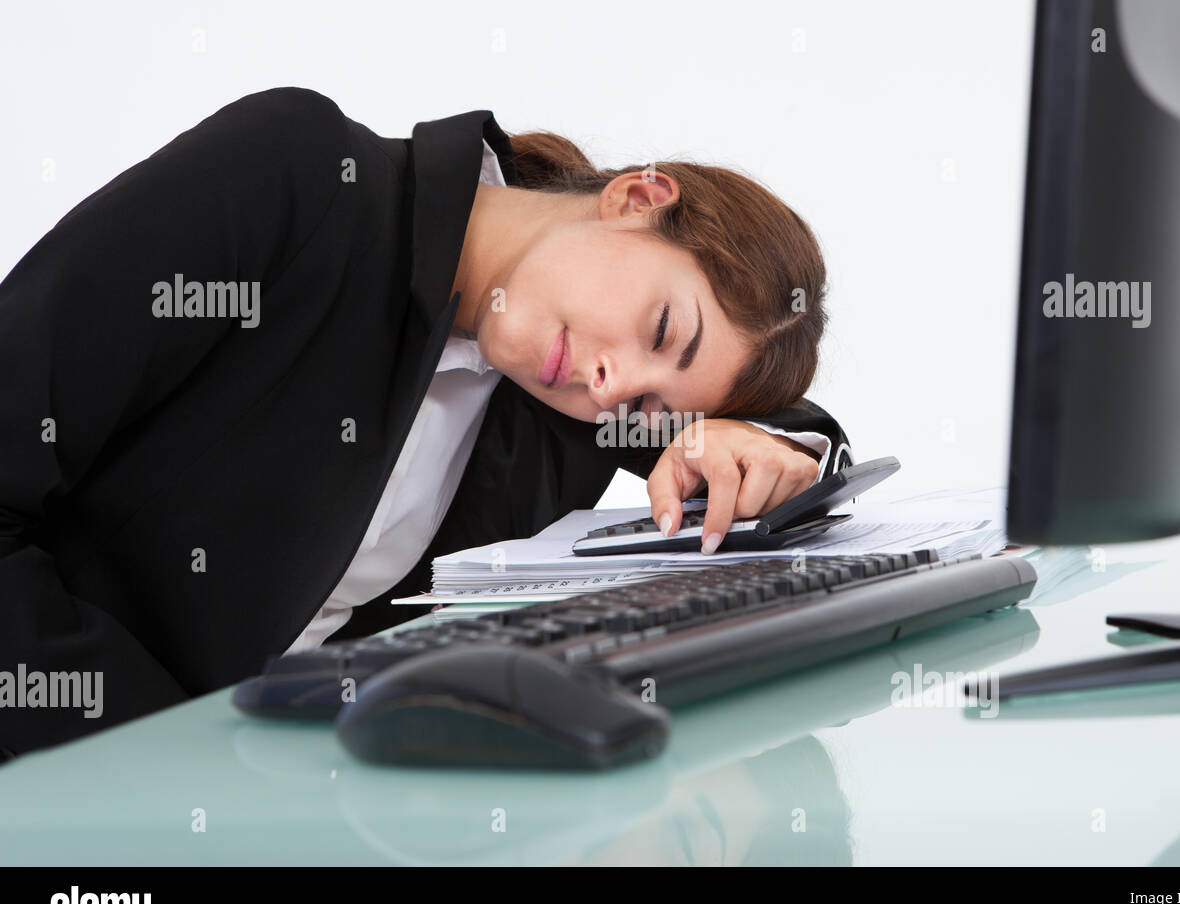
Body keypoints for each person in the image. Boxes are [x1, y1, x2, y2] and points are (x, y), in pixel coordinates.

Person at [0, 87, 852, 759]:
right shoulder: (296, 178)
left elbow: (790, 425)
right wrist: (177, 779)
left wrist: (765, 442)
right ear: (636, 198)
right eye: (661, 328)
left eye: (647, 410)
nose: (610, 385)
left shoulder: (563, 390)